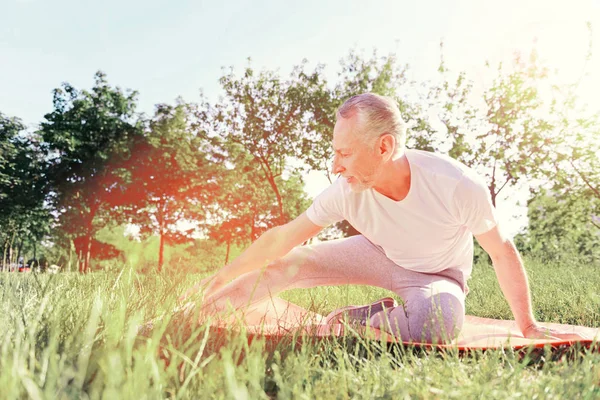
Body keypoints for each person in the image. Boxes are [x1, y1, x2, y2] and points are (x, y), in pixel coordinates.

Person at [181, 93, 585, 344]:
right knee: (288, 264)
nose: (336, 166)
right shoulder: (347, 190)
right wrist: (220, 277)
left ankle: (363, 317)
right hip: (374, 252)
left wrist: (528, 325)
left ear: (384, 146)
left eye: (345, 153)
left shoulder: (456, 185)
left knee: (439, 322)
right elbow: (284, 237)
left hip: (437, 275)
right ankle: (187, 317)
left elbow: (501, 251)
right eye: (335, 152)